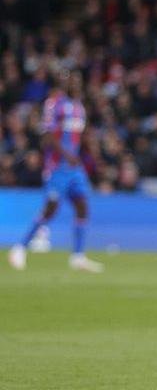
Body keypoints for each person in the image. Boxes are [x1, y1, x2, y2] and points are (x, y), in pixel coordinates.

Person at [8, 72, 104, 272]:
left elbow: (80, 137)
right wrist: (66, 154)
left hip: (74, 168)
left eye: (78, 81)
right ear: (64, 83)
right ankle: (20, 248)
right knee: (51, 208)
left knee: (82, 205)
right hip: (57, 166)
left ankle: (78, 256)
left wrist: (90, 155)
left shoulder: (79, 108)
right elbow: (48, 135)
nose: (76, 84)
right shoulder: (55, 104)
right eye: (72, 81)